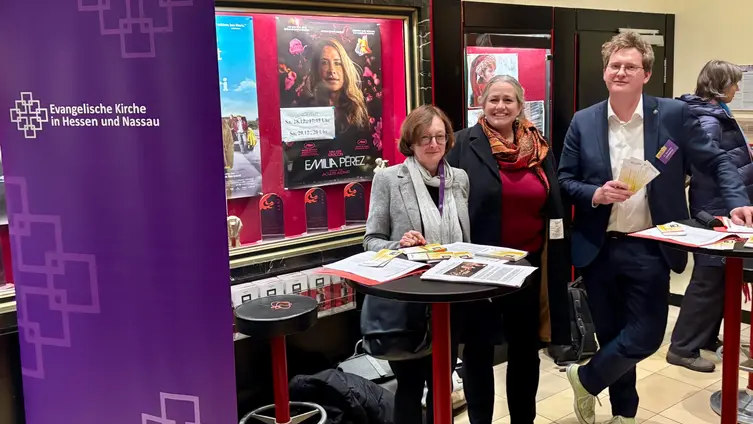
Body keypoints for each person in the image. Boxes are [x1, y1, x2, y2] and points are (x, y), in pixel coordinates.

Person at [557, 31, 753, 424]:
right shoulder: (584, 120)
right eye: (615, 65)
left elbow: (716, 161)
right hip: (598, 247)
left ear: (646, 74)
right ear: (605, 72)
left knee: (645, 335)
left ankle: (586, 377)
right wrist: (595, 193)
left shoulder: (674, 116)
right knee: (613, 336)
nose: (622, 72)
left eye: (631, 66)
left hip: (651, 244)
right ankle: (623, 415)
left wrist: (737, 201)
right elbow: (565, 179)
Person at [448, 75, 571, 424]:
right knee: (478, 352)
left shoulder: (539, 146)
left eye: (508, 100)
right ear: (482, 104)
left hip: (528, 268)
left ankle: (523, 420)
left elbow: (554, 200)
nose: (500, 107)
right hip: (479, 269)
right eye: (493, 100)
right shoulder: (462, 144)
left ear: (520, 106)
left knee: (525, 352)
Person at [362, 104, 470, 424]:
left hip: (450, 299)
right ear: (410, 141)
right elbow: (371, 240)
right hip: (409, 302)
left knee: (441, 382)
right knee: (409, 385)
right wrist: (400, 244)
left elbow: (465, 237)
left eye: (439, 136)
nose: (433, 144)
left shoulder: (460, 179)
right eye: (424, 137)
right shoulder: (388, 179)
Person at [667, 60, 753, 372]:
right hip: (716, 206)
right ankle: (682, 348)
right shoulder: (707, 119)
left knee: (720, 278)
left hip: (723, 203)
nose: (738, 89)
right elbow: (709, 164)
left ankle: (705, 338)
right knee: (707, 279)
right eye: (733, 83)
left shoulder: (714, 112)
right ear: (719, 85)